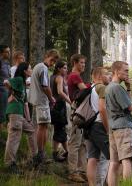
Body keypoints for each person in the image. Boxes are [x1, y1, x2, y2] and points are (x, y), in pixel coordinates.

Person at [105, 61, 132, 186]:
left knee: (114, 162)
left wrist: (128, 87)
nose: (128, 73)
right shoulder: (117, 87)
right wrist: (128, 89)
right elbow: (130, 107)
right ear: (117, 71)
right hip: (124, 126)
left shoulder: (108, 88)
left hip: (113, 127)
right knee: (126, 159)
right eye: (126, 70)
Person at [4, 62, 36, 173]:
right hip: (14, 112)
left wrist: (29, 119)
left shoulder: (23, 84)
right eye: (30, 68)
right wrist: (12, 91)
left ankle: (34, 157)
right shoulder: (18, 79)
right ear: (24, 71)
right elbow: (6, 82)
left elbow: (25, 104)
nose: (31, 70)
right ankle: (9, 164)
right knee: (14, 138)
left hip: (20, 114)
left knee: (31, 130)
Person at [28, 49, 59, 165]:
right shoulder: (43, 68)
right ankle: (40, 153)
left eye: (54, 61)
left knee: (43, 126)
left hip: (38, 100)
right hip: (41, 101)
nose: (52, 63)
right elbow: (45, 86)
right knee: (42, 127)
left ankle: (40, 152)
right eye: (52, 60)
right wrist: (51, 98)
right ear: (47, 56)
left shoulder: (38, 67)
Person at [86, 67, 110, 186]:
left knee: (92, 157)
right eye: (106, 74)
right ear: (99, 76)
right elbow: (102, 108)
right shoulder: (101, 87)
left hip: (89, 126)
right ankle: (109, 182)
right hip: (99, 125)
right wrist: (107, 129)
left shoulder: (89, 88)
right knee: (113, 156)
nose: (109, 76)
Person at [67, 54, 88, 183]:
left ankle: (81, 170)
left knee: (81, 143)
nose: (83, 65)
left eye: (84, 63)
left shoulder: (76, 76)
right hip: (77, 112)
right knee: (75, 143)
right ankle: (72, 172)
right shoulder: (74, 76)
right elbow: (85, 90)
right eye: (81, 62)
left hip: (80, 111)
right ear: (74, 63)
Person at [50, 60, 71, 162]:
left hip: (53, 105)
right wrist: (70, 101)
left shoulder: (52, 77)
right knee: (59, 129)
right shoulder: (59, 77)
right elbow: (60, 92)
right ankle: (55, 153)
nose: (66, 70)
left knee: (61, 129)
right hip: (59, 106)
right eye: (64, 68)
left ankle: (67, 152)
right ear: (58, 69)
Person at [0, 45, 11, 139]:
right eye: (7, 52)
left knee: (4, 114)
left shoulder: (7, 63)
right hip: (1, 91)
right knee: (1, 114)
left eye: (9, 51)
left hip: (6, 91)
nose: (9, 53)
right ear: (2, 53)